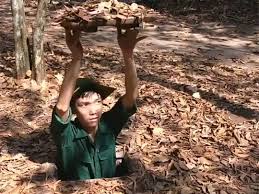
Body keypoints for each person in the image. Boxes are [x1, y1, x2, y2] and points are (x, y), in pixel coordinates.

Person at [50, 27, 146, 180]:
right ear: (73, 109)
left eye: (97, 102)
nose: (93, 110)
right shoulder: (66, 134)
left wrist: (128, 54)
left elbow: (131, 96)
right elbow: (61, 107)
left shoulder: (108, 125)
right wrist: (76, 58)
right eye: (84, 104)